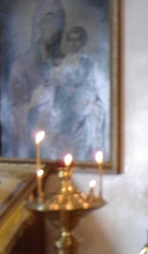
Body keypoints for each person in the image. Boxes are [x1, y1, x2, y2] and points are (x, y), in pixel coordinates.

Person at [5, 0, 67, 158]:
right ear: (38, 26)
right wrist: (33, 103)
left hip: (62, 138)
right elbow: (13, 111)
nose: (53, 31)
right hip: (35, 141)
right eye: (49, 24)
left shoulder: (69, 63)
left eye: (57, 25)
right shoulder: (22, 65)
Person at [52, 25, 106, 159]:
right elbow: (56, 83)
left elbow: (93, 86)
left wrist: (83, 96)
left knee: (83, 143)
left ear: (82, 42)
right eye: (71, 40)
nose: (74, 43)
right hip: (66, 107)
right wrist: (65, 88)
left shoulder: (89, 63)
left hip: (83, 106)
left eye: (77, 40)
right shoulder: (63, 62)